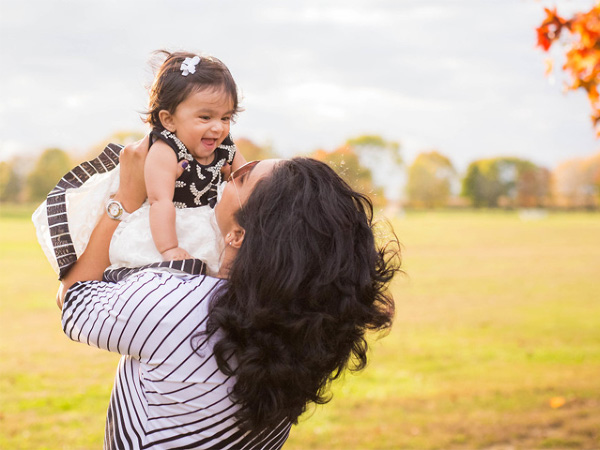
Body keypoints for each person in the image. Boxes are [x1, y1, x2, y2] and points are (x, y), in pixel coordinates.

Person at [55, 136, 401, 449]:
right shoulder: (303, 332)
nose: (230, 170)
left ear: (238, 234)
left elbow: (73, 299)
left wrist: (123, 201)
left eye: (244, 175)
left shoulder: (174, 306)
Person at [32, 50, 245, 279]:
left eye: (225, 118)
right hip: (169, 226)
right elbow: (159, 201)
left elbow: (248, 177)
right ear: (169, 120)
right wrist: (169, 248)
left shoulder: (225, 146)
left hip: (208, 222)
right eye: (205, 117)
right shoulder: (165, 150)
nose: (218, 127)